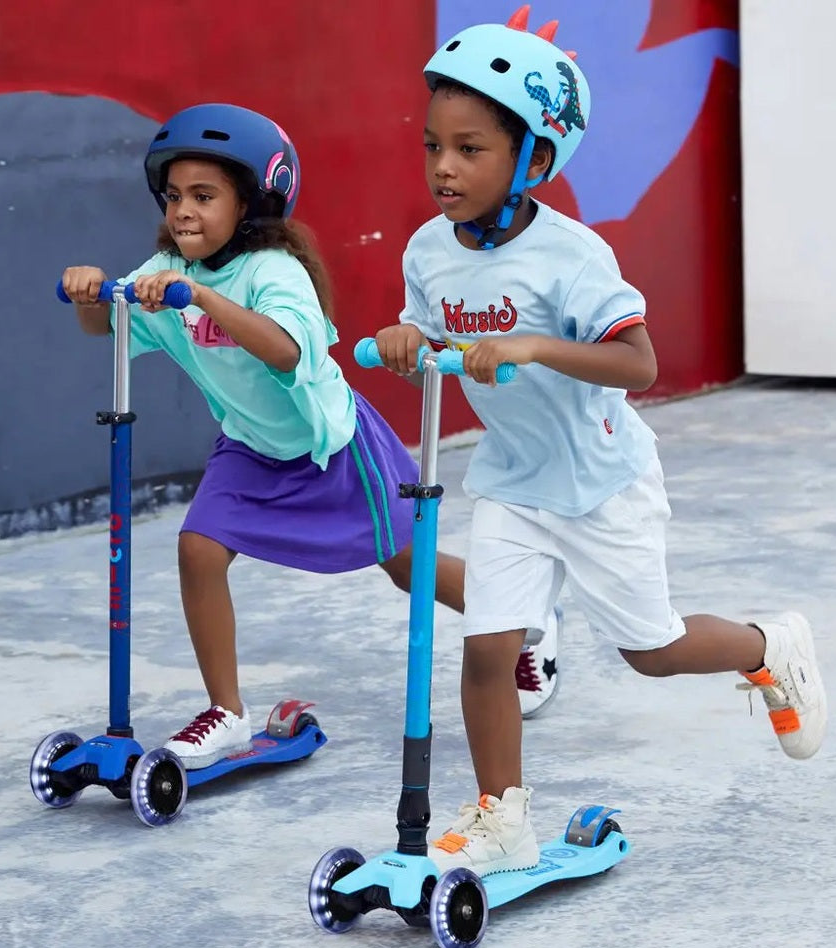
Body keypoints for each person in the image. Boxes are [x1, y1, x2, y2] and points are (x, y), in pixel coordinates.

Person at [374, 8, 827, 876]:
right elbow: (429, 333)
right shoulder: (428, 250)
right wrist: (406, 341)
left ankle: (769, 646)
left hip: (600, 484)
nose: (443, 167)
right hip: (512, 481)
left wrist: (534, 346)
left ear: (535, 161)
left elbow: (638, 362)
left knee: (651, 651)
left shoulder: (573, 257)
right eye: (433, 145)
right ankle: (502, 818)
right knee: (488, 650)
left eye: (470, 149)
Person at [60, 103, 561, 769]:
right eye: (175, 195)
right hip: (250, 448)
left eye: (204, 196)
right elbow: (110, 327)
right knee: (197, 549)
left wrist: (202, 298)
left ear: (251, 204)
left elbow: (287, 351)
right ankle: (227, 713)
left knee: (405, 567)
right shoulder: (171, 269)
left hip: (334, 447)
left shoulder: (271, 272)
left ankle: (527, 624)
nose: (183, 211)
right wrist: (93, 295)